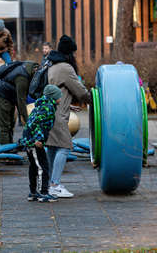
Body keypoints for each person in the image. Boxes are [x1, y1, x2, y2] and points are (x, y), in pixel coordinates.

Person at [45, 35, 91, 198]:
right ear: (70, 53)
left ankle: (48, 182)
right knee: (65, 147)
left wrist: (67, 103)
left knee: (51, 147)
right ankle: (54, 185)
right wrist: (94, 99)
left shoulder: (52, 65)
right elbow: (80, 91)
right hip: (58, 115)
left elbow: (58, 91)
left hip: (49, 111)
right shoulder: (65, 67)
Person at [19, 85, 62, 203]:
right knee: (42, 167)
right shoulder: (47, 108)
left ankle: (33, 192)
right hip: (34, 141)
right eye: (59, 96)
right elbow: (39, 124)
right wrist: (38, 139)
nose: (61, 98)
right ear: (53, 97)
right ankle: (43, 192)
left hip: (30, 140)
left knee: (34, 166)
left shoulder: (42, 105)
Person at [0, 61, 39, 145]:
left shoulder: (31, 68)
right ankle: (5, 151)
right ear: (35, 71)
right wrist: (27, 120)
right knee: (4, 125)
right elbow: (21, 100)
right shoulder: (22, 78)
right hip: (1, 95)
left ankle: (10, 146)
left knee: (11, 123)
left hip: (10, 96)